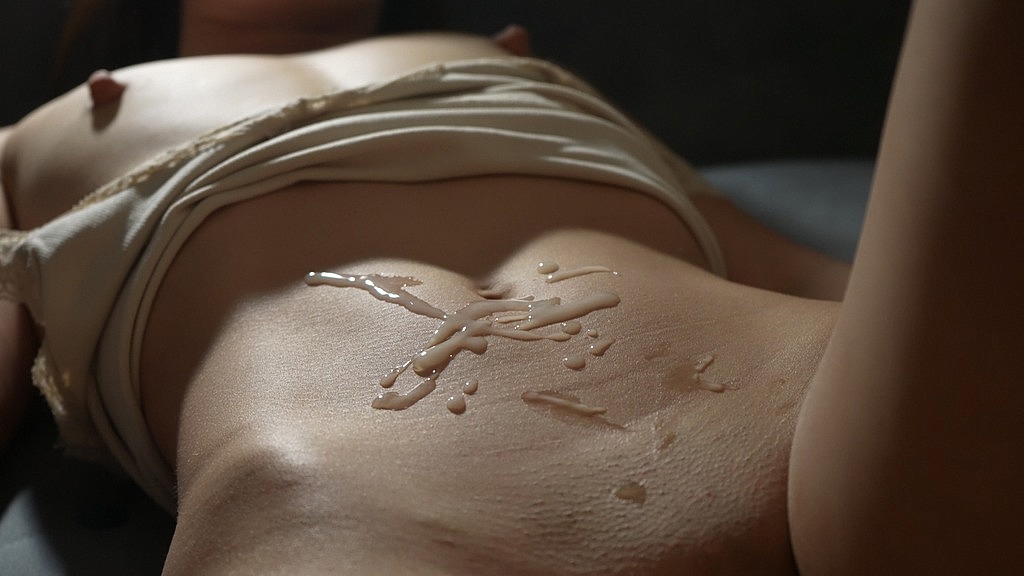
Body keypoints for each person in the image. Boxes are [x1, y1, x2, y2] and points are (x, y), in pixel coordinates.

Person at [1, 0, 1021, 574]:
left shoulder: (507, 57)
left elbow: (792, 263)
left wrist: (934, 352)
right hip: (370, 505)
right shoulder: (32, 140)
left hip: (801, 425)